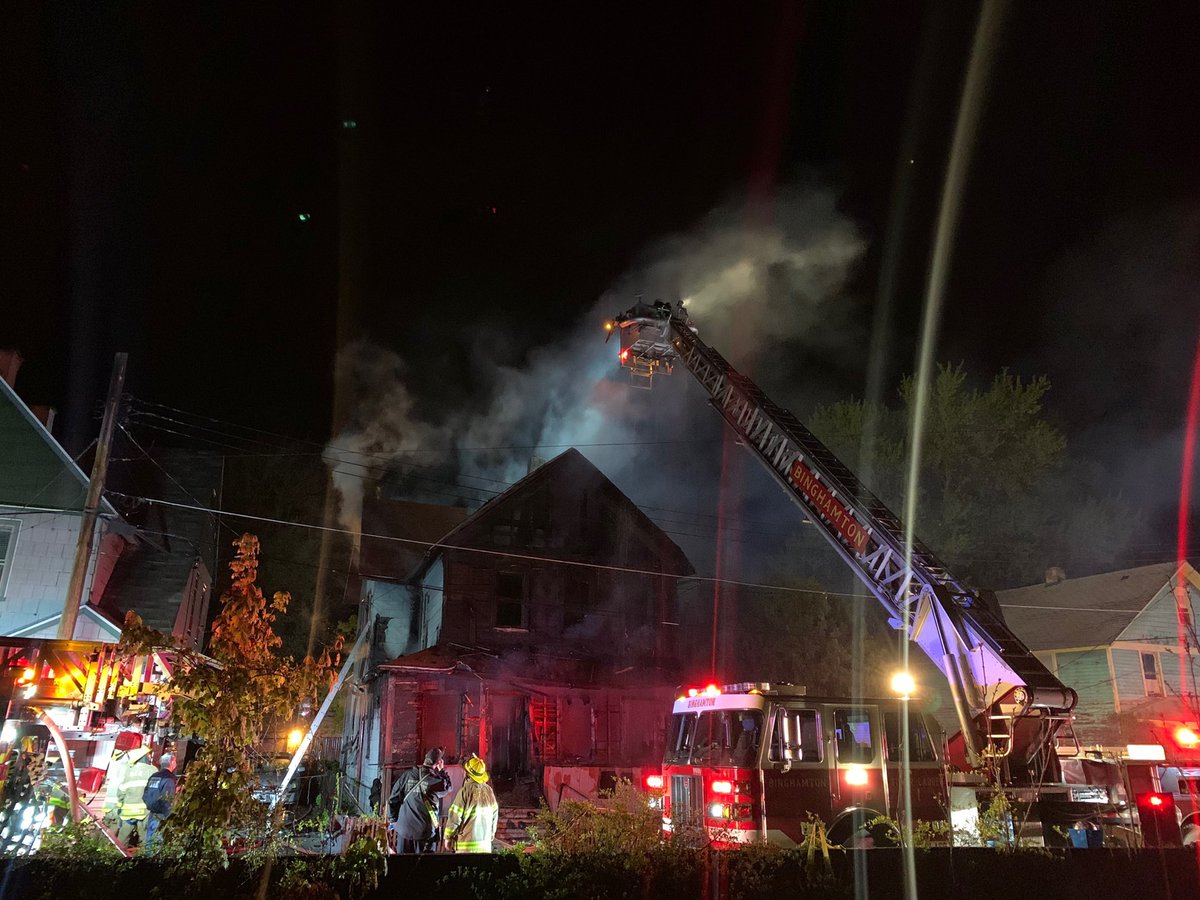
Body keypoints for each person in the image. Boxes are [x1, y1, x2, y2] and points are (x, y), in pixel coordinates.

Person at [388, 748, 451, 854]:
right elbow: (448, 787)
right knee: (422, 868)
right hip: (424, 834)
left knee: (401, 865)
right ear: (438, 762)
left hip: (404, 831)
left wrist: (393, 819)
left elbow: (393, 798)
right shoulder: (435, 781)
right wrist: (442, 771)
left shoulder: (407, 775)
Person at [443, 754, 498, 854]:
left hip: (466, 847)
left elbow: (455, 816)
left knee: (465, 870)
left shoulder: (465, 791)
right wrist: (491, 834)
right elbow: (494, 815)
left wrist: (448, 837)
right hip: (485, 847)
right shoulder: (489, 791)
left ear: (467, 774)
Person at [111, 746, 155, 847]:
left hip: (127, 813)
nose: (150, 756)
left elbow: (121, 793)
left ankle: (117, 859)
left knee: (121, 842)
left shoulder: (128, 771)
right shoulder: (152, 770)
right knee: (145, 841)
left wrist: (120, 805)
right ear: (143, 756)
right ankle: (145, 861)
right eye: (148, 754)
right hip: (145, 812)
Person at [141, 752, 178, 849]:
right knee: (158, 844)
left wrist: (150, 805)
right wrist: (170, 817)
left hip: (152, 814)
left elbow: (145, 794)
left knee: (149, 843)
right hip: (162, 817)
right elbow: (168, 799)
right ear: (172, 763)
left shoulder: (154, 776)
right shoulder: (169, 778)